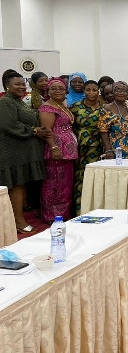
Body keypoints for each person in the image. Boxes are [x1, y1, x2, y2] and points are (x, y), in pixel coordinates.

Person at [0, 69, 48, 232]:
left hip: (23, 152)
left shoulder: (18, 101)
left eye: (23, 84)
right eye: (17, 84)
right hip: (13, 152)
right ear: (7, 86)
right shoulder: (6, 102)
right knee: (16, 186)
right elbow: (9, 124)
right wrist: (34, 131)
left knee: (20, 186)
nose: (21, 87)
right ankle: (19, 222)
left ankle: (18, 220)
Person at [39, 78, 79, 222]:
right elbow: (47, 130)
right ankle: (51, 215)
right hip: (56, 151)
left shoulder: (61, 105)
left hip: (67, 153)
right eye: (54, 88)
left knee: (65, 185)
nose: (58, 91)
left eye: (61, 88)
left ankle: (63, 214)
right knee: (54, 185)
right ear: (48, 91)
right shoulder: (47, 108)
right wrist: (54, 147)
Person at [70, 80, 103, 215]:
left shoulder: (103, 107)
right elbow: (70, 127)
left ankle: (95, 209)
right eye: (88, 90)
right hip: (80, 146)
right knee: (80, 178)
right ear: (84, 91)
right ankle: (79, 210)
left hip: (99, 147)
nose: (91, 93)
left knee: (96, 177)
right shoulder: (76, 107)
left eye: (94, 90)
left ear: (98, 91)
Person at [99, 81, 128, 159]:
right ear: (113, 92)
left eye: (124, 91)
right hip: (114, 150)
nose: (121, 93)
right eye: (118, 90)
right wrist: (108, 150)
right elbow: (103, 131)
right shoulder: (107, 109)